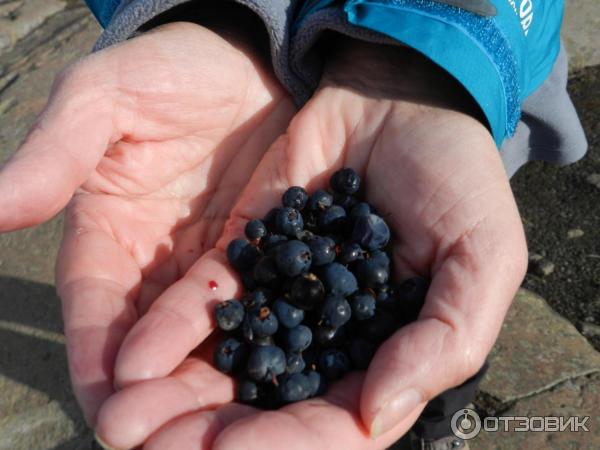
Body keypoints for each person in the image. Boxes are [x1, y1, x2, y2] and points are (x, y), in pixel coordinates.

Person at [0, 1, 587, 449]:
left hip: (468, 81)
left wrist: (428, 42)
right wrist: (217, 15)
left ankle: (434, 421)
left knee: (439, 302)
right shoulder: (293, 264)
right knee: (421, 311)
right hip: (398, 73)